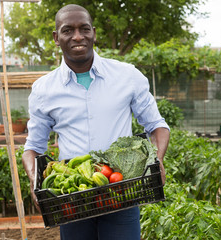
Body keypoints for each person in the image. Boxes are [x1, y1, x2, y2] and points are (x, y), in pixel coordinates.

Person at [22, 4, 170, 240]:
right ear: (56, 38)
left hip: (122, 191)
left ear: (94, 33)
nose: (77, 36)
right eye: (68, 30)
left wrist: (158, 160)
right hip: (71, 198)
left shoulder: (127, 76)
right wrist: (34, 181)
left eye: (84, 29)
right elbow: (33, 148)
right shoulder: (44, 90)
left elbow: (157, 125)